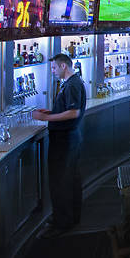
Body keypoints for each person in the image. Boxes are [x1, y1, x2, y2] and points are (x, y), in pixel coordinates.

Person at [32, 54, 87, 237]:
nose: (53, 71)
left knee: (61, 181)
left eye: (54, 68)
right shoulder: (72, 83)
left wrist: (46, 118)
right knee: (70, 179)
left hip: (65, 139)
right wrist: (51, 112)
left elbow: (73, 112)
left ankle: (62, 223)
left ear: (63, 66)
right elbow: (67, 110)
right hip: (69, 138)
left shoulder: (72, 84)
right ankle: (72, 217)